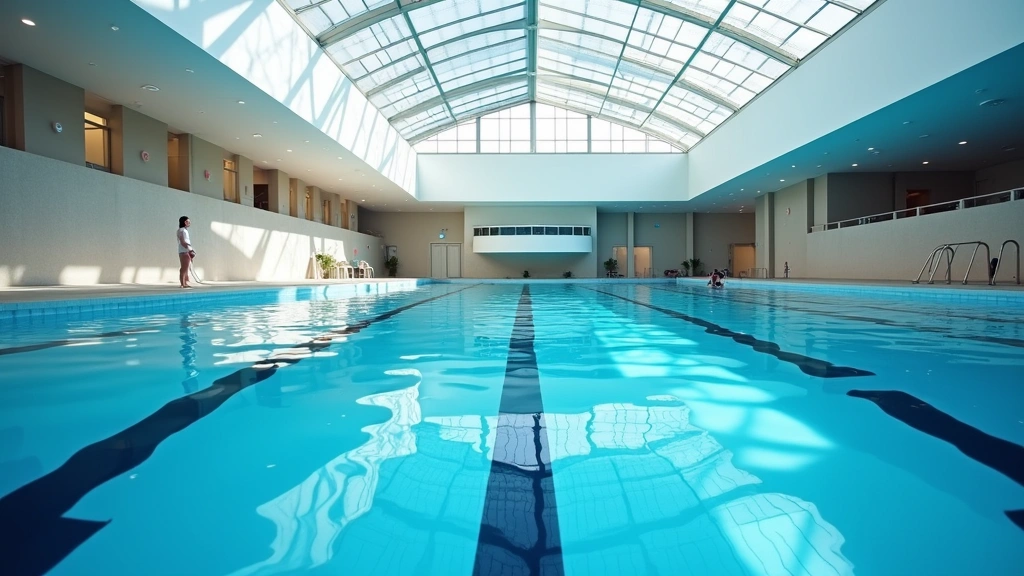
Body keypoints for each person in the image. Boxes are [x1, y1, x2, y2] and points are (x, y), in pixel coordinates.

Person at [177, 216, 196, 288]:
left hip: (184, 251)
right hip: (184, 251)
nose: (189, 223)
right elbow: (183, 241)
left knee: (186, 267)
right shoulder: (182, 230)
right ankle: (182, 284)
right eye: (188, 221)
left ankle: (184, 283)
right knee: (184, 268)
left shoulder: (182, 230)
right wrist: (190, 250)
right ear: (185, 222)